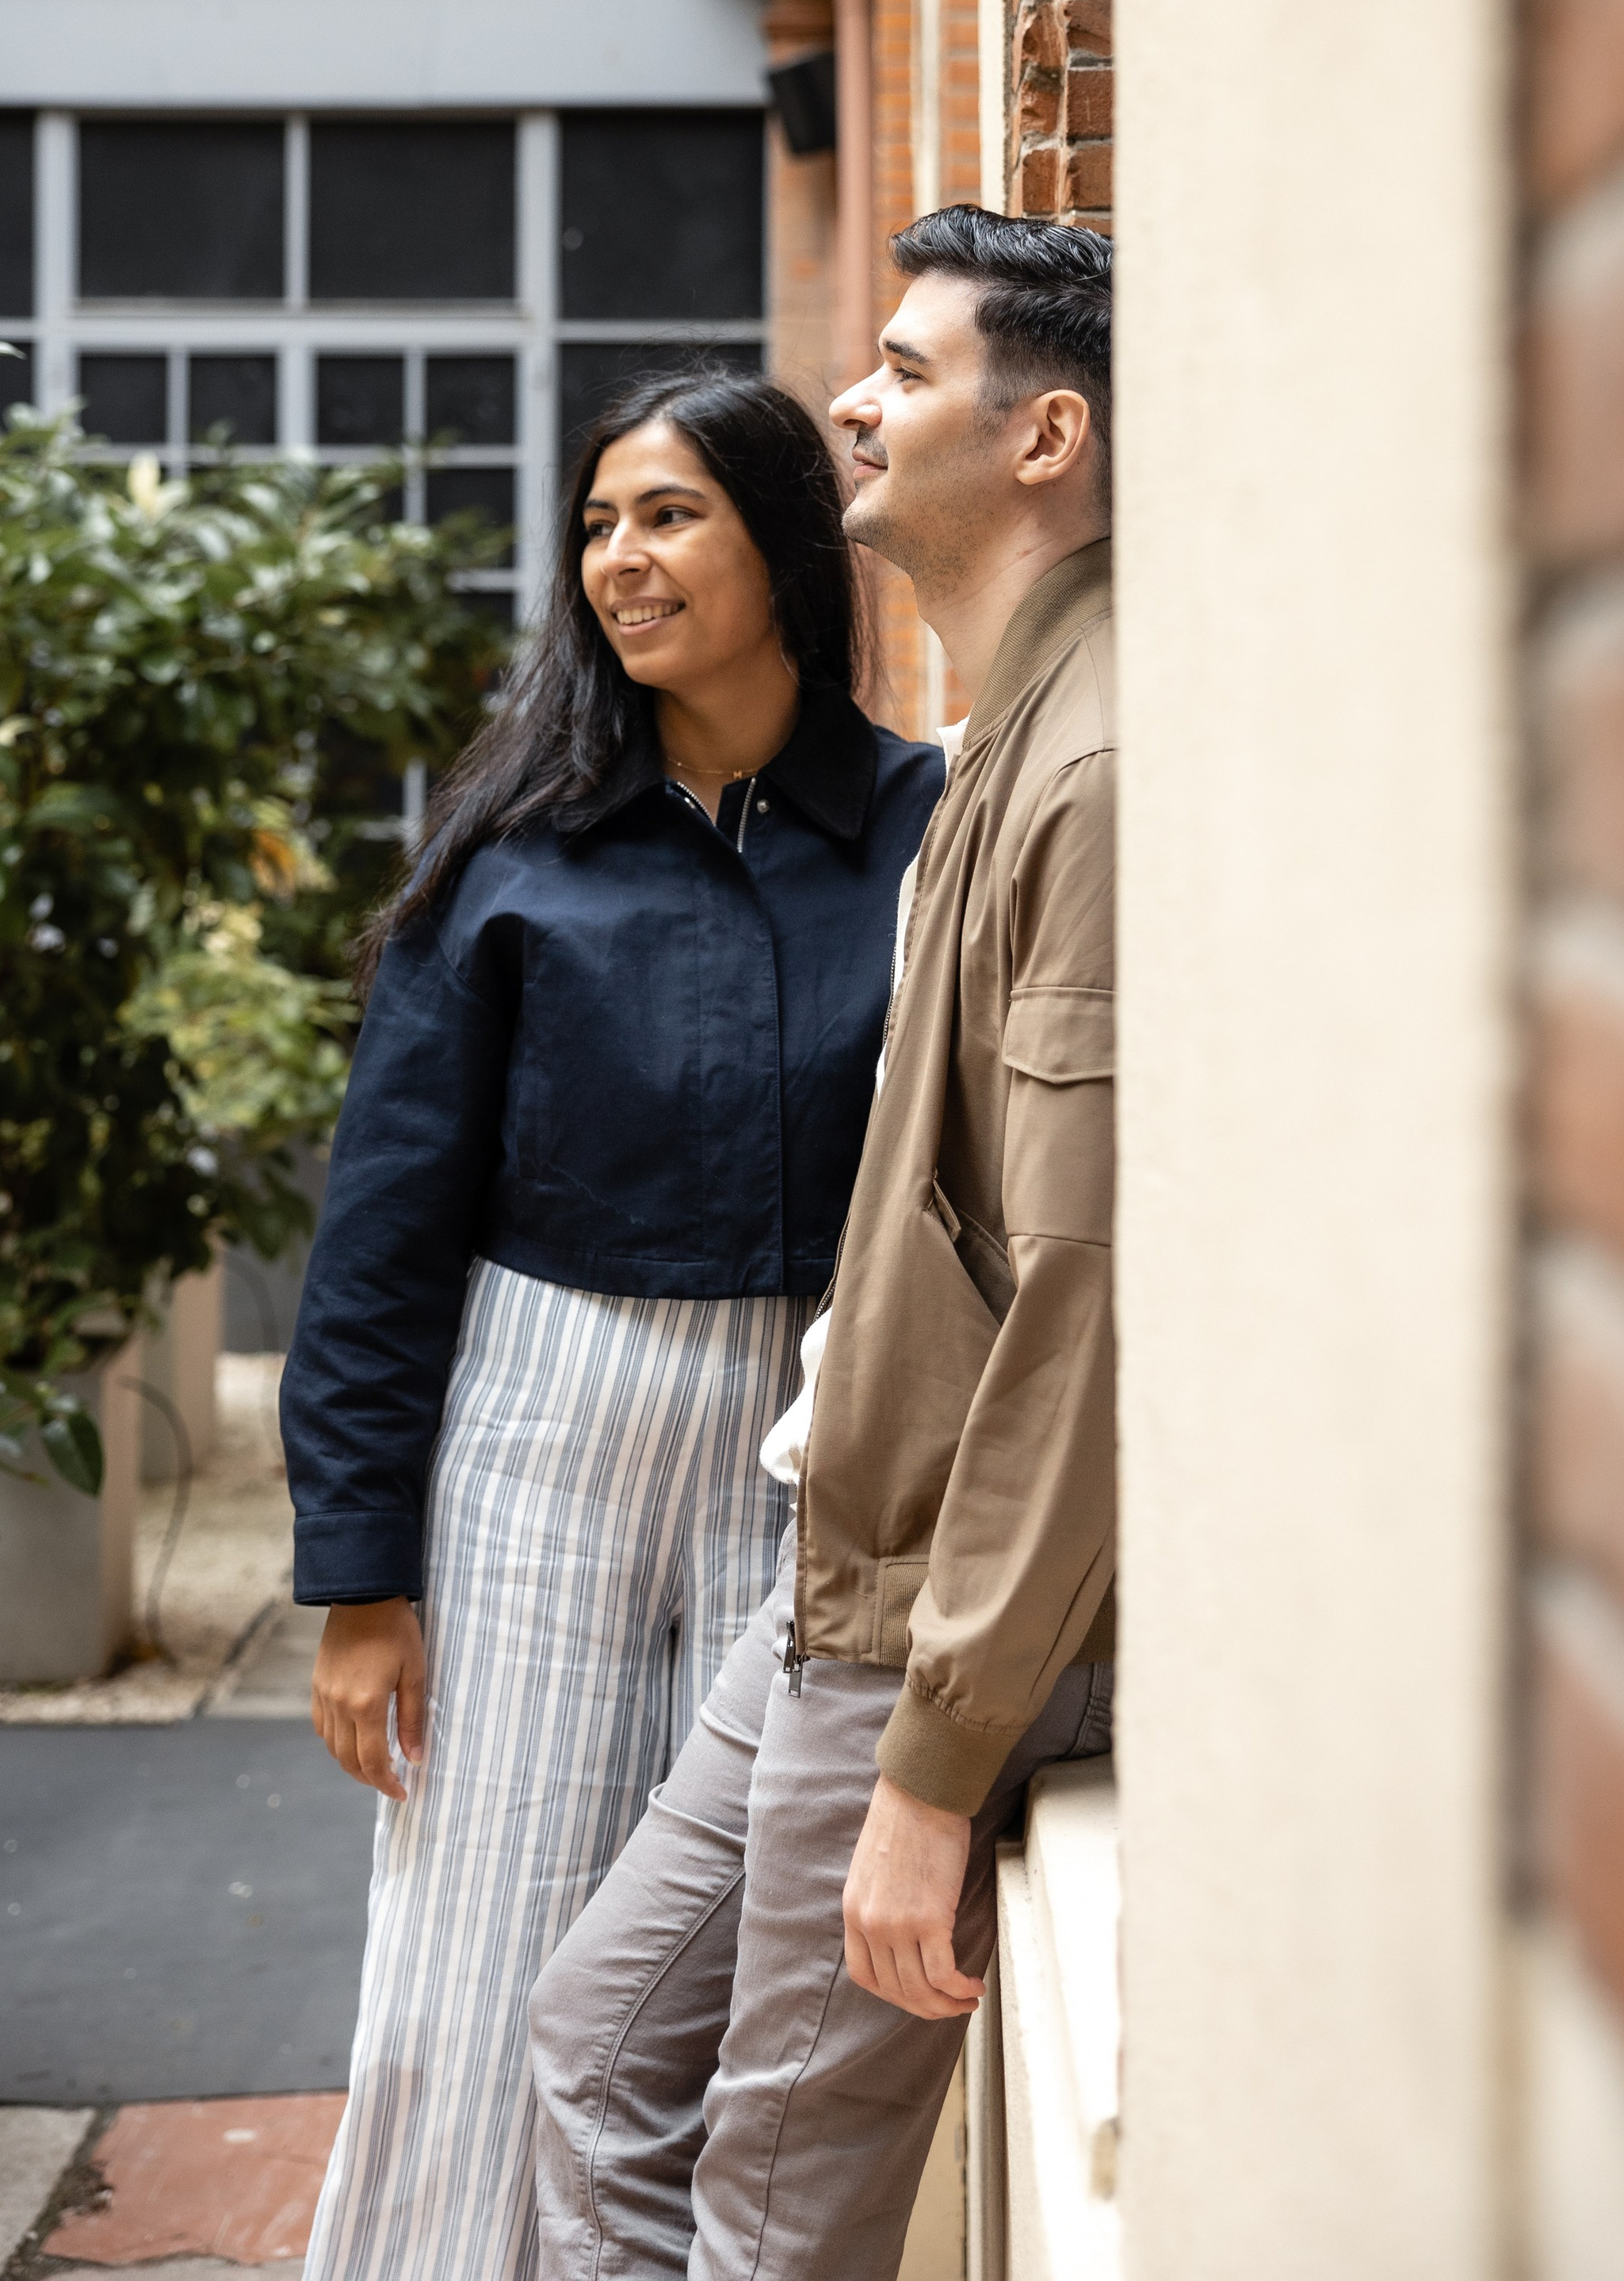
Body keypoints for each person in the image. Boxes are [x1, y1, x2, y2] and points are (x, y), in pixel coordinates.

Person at [281, 368, 946, 2281]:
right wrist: (358, 1575)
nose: (617, 562)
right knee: (482, 1950)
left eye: (666, 517)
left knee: (721, 1977)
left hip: (803, 1437)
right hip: (536, 1440)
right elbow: (384, 1230)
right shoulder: (514, 850)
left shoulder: (920, 826)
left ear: (781, 545)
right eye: (596, 524)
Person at [529, 209, 1117, 2281]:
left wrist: (938, 1767)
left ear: (1045, 438)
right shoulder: (998, 745)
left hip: (924, 1632)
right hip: (838, 1566)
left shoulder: (1100, 771)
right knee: (594, 2043)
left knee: (770, 2226)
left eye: (905, 368)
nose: (850, 403)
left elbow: (1091, 1311)